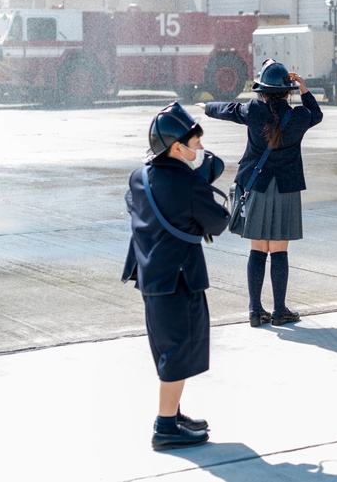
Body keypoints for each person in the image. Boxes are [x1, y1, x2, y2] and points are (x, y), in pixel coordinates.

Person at [122, 102, 229, 450]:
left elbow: (138, 206)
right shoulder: (187, 182)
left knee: (168, 347)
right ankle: (165, 427)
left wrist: (195, 184)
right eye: (194, 143)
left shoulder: (140, 176)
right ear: (176, 147)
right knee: (177, 352)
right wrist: (203, 185)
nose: (199, 148)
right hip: (179, 278)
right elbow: (218, 222)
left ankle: (174, 414)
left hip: (151, 273)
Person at [202, 59, 323, 326]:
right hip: (286, 189)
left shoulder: (253, 111)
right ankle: (280, 310)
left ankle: (255, 310)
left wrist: (207, 108)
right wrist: (303, 88)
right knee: (279, 249)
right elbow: (316, 113)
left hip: (256, 187)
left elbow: (228, 109)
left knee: (258, 249)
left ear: (262, 91)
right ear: (287, 91)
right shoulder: (300, 117)